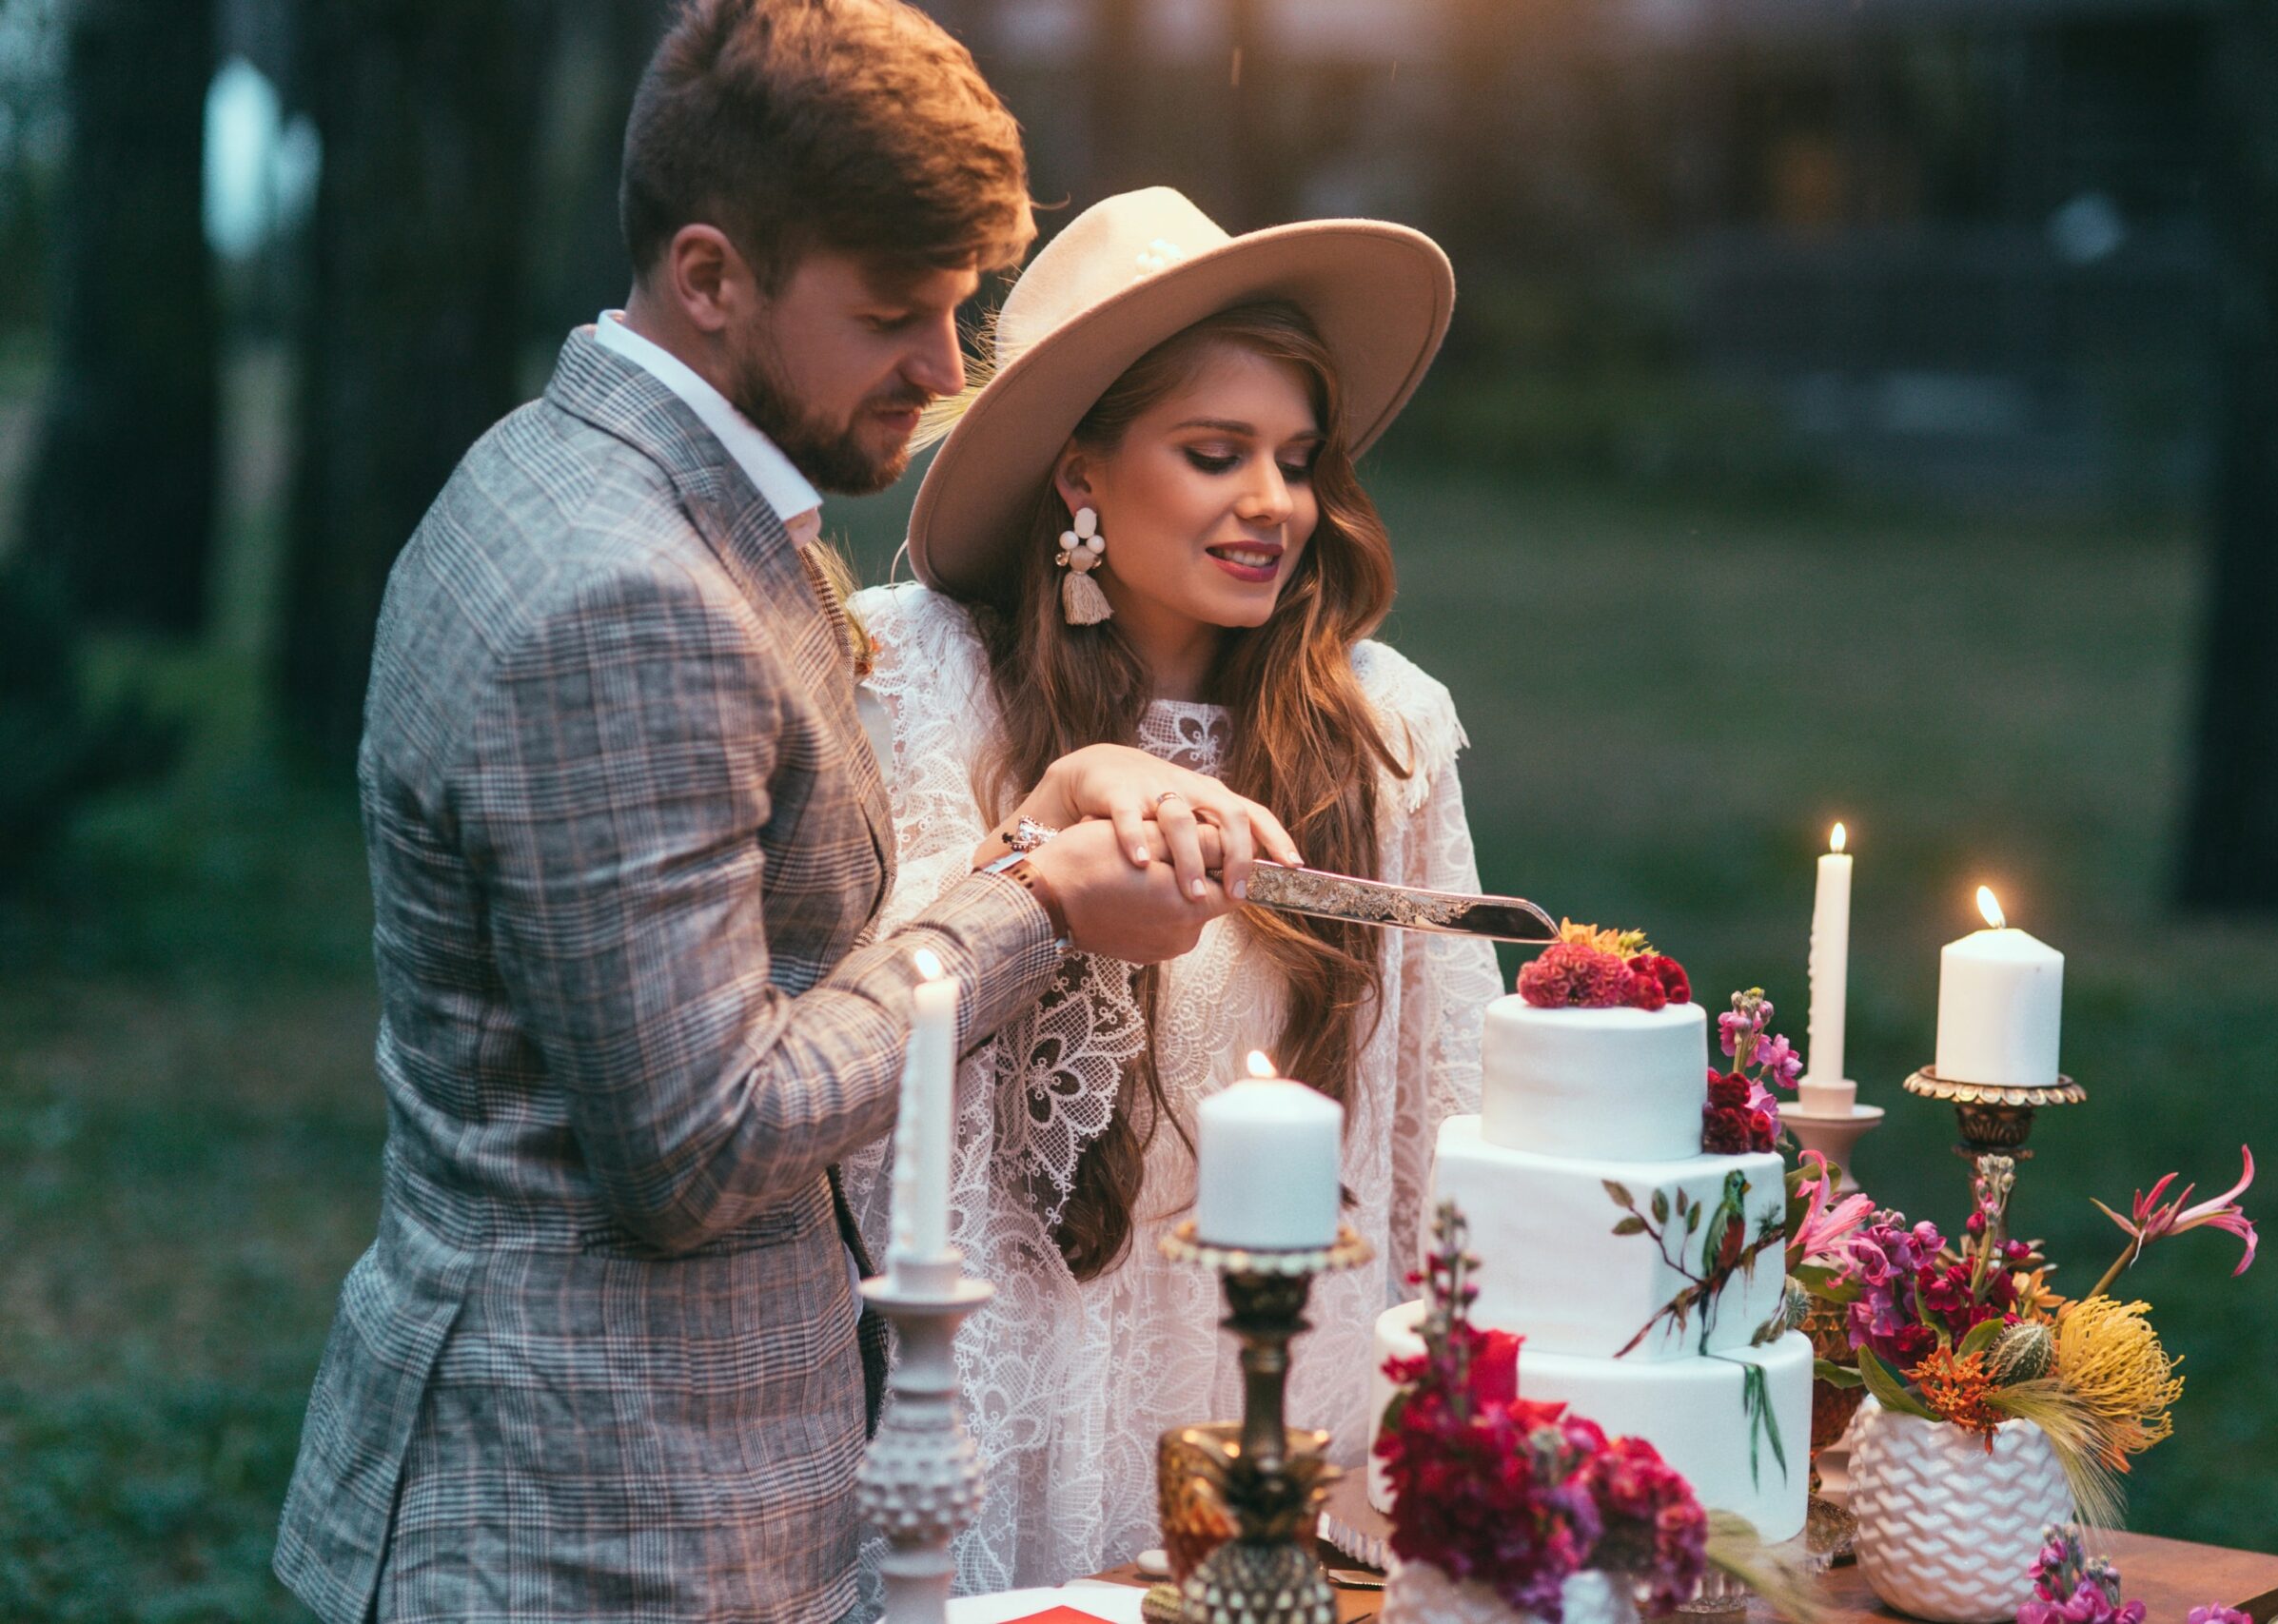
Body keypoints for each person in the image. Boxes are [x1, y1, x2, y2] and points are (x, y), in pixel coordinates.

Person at [270, 11, 1293, 1622]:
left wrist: (1046, 807)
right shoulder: (626, 595)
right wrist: (1039, 898)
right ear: (710, 275)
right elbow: (696, 1145)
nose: (946, 373)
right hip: (589, 1523)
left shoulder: (585, 472)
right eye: (893, 315)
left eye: (960, 310)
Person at [849, 186, 1504, 1591]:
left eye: (1299, 458)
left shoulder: (1382, 732)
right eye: (1216, 455)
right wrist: (1037, 842)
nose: (1276, 504)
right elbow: (844, 1020)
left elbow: (1441, 1122)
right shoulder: (912, 682)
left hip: (1276, 1389)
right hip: (997, 1375)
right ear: (1081, 473)